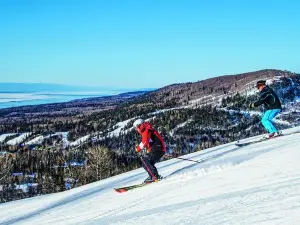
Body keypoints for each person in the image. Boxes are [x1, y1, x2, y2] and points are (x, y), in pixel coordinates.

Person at [133, 119, 166, 183]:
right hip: (157, 149)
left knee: (147, 161)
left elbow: (144, 142)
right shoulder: (147, 129)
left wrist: (137, 149)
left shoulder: (146, 130)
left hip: (158, 149)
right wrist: (149, 149)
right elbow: (150, 141)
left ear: (139, 126)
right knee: (146, 162)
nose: (136, 130)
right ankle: (152, 176)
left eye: (136, 128)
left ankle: (155, 176)